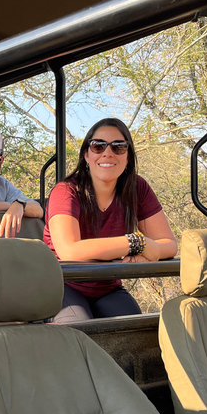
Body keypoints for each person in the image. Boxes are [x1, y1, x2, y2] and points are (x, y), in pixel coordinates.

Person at [44, 117, 177, 323]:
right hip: (62, 285)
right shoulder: (66, 191)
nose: (107, 153)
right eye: (98, 146)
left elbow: (168, 244)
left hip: (107, 287)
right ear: (86, 155)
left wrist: (151, 250)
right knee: (79, 331)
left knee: (138, 334)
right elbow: (70, 251)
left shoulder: (137, 188)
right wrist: (135, 243)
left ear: (128, 156)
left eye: (118, 147)